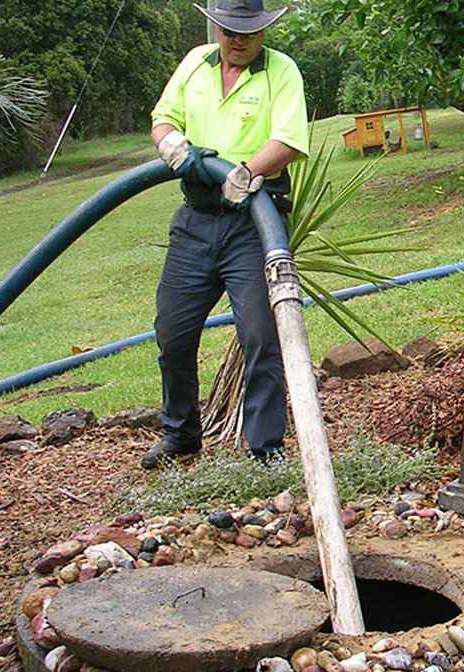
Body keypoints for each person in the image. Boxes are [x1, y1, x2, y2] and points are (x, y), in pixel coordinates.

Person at [143, 0, 308, 468]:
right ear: (216, 25)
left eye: (248, 31)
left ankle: (264, 448)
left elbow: (290, 139)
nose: (238, 39)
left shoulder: (281, 71)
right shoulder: (195, 62)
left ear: (263, 30)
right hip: (195, 220)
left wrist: (246, 171)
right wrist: (171, 144)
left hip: (255, 222)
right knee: (172, 333)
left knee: (261, 335)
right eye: (229, 29)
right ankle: (180, 435)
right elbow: (163, 118)